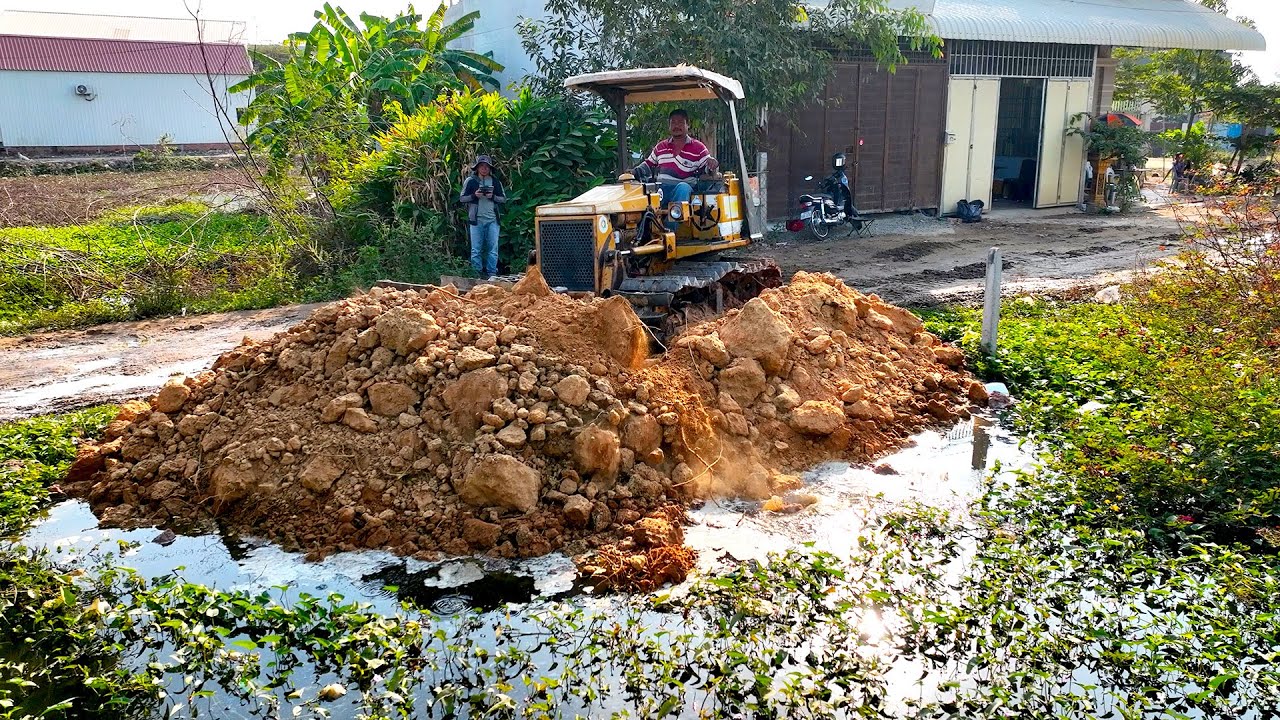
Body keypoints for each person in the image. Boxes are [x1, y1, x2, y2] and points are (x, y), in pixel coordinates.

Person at [634, 109, 719, 228]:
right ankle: (640, 233)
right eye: (673, 123)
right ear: (669, 126)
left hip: (684, 189)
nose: (676, 126)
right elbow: (648, 164)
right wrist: (633, 172)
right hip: (661, 190)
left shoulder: (698, 147)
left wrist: (712, 163)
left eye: (680, 123)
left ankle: (669, 232)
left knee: (682, 188)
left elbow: (709, 166)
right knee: (642, 193)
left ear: (687, 125)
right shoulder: (661, 147)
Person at [459, 155, 506, 279]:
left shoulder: (495, 182)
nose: (484, 169)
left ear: (490, 168)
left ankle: (492, 274)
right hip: (476, 220)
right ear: (477, 168)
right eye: (482, 166)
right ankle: (476, 275)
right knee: (476, 249)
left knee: (493, 249)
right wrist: (475, 195)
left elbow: (503, 199)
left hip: (492, 219)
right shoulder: (471, 181)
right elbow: (462, 198)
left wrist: (493, 197)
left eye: (486, 167)